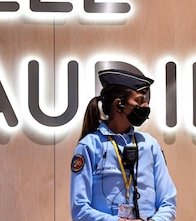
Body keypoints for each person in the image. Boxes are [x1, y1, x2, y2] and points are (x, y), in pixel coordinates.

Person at [70, 68, 177, 221]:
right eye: (139, 101)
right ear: (118, 104)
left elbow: (168, 202)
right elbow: (79, 210)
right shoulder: (89, 146)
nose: (146, 106)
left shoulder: (150, 145)